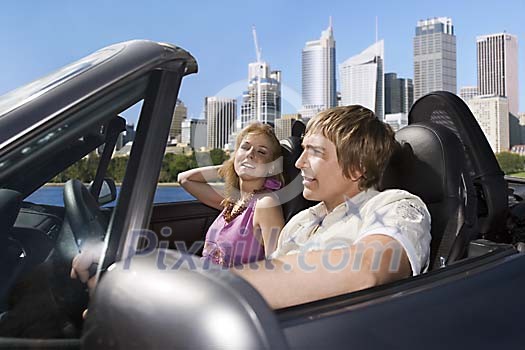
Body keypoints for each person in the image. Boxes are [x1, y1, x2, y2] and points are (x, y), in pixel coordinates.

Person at [232, 105, 431, 308]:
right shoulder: (300, 222)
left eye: (315, 152)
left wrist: (228, 286)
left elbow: (367, 269)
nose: (299, 163)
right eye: (303, 150)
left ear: (356, 167)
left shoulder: (394, 206)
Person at [177, 122, 285, 266]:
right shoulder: (234, 200)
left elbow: (275, 268)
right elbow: (184, 179)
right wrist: (231, 166)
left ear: (271, 167)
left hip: (235, 287)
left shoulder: (265, 203)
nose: (250, 154)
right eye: (245, 147)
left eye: (261, 152)